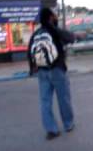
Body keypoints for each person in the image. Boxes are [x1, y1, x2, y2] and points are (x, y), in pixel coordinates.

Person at [27, 8, 75, 140]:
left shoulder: (36, 33)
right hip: (57, 69)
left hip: (42, 71)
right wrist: (56, 26)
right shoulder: (54, 31)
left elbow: (29, 52)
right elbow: (71, 38)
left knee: (45, 101)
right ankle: (68, 124)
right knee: (63, 98)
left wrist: (32, 68)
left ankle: (51, 129)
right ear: (50, 18)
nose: (56, 17)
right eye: (54, 16)